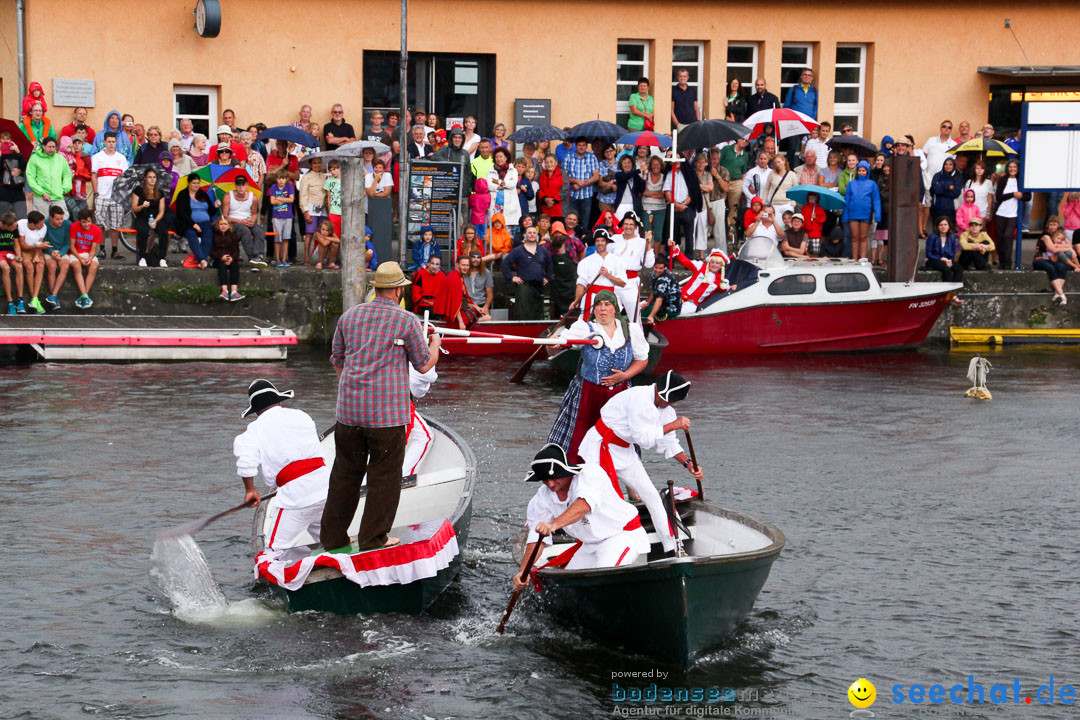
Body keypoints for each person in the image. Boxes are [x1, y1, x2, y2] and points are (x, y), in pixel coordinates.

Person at [321, 262, 441, 553]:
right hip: (387, 417)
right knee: (384, 479)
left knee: (344, 475)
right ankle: (373, 539)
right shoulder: (407, 320)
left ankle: (334, 538)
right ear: (399, 290)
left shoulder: (349, 317)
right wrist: (435, 343)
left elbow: (337, 360)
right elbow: (423, 364)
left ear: (376, 289)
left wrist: (353, 389)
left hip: (348, 413)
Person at [578, 370, 702, 555]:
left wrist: (688, 463)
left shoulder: (666, 410)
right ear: (661, 393)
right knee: (595, 497)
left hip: (624, 450)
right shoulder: (639, 399)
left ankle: (671, 547)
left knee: (651, 496)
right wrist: (674, 424)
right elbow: (643, 439)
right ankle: (591, 541)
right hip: (599, 447)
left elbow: (668, 442)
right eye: (669, 400)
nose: (670, 405)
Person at [512, 443, 651, 586]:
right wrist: (523, 571)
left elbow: (583, 505)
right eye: (545, 480)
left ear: (566, 471)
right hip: (588, 544)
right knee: (566, 587)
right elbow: (536, 540)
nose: (551, 484)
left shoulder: (590, 474)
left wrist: (553, 525)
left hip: (620, 536)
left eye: (555, 478)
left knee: (602, 581)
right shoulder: (541, 498)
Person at [235, 379, 330, 564]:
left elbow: (246, 462)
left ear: (256, 411)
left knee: (271, 554)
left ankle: (282, 580)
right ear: (279, 401)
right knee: (331, 540)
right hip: (327, 488)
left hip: (296, 496)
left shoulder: (255, 429)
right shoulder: (301, 415)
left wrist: (250, 491)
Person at [548, 289, 649, 460]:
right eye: (598, 305)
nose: (602, 308)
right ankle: (573, 473)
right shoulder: (585, 328)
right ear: (594, 309)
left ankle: (621, 474)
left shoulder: (631, 330)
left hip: (620, 393)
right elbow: (556, 346)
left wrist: (625, 375)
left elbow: (642, 359)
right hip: (588, 393)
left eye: (607, 304)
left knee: (619, 440)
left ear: (614, 309)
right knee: (578, 440)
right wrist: (552, 343)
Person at [609, 211, 654, 321]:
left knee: (634, 316)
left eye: (631, 224)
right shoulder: (614, 239)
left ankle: (636, 337)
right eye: (626, 224)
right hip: (614, 281)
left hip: (630, 282)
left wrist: (648, 244)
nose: (628, 227)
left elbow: (649, 264)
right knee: (611, 315)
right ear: (622, 225)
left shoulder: (641, 242)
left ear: (635, 227)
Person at [90, 132, 129, 260]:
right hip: (101, 195)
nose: (111, 144)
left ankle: (114, 250)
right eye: (109, 141)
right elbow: (94, 176)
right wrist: (96, 193)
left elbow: (125, 178)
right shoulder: (97, 157)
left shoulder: (122, 158)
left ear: (116, 142)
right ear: (104, 142)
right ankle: (101, 250)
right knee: (101, 224)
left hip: (116, 197)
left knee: (115, 225)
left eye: (113, 141)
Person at [571, 229, 626, 316]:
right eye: (597, 241)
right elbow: (581, 284)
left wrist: (608, 275)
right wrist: (576, 301)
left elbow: (622, 283)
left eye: (603, 240)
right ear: (595, 242)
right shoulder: (586, 262)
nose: (600, 243)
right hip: (591, 298)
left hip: (609, 298)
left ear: (607, 242)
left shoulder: (617, 261)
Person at [501, 226, 553, 320]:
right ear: (525, 235)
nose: (532, 235)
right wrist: (511, 277)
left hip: (538, 287)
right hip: (524, 286)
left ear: (537, 235)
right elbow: (505, 263)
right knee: (523, 313)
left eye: (534, 233)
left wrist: (547, 277)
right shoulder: (518, 250)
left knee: (538, 314)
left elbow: (549, 264)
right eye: (529, 233)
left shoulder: (543, 250)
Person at [669, 242, 729, 312]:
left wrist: (731, 287)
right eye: (712, 262)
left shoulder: (721, 281)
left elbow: (726, 291)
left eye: (717, 263)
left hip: (692, 305)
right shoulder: (700, 266)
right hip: (680, 296)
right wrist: (674, 249)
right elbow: (686, 262)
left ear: (721, 265)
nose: (714, 265)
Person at [174, 173, 217, 269]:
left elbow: (210, 212)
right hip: (188, 223)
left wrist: (215, 207)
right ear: (189, 183)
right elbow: (181, 213)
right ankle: (202, 259)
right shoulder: (183, 194)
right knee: (191, 234)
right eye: (194, 183)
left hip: (205, 222)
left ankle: (201, 260)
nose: (196, 185)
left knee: (208, 233)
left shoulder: (203, 194)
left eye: (198, 183)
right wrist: (193, 224)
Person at [434, 254, 490, 328]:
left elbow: (461, 301)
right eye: (463, 265)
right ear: (457, 265)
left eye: (467, 265)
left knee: (483, 314)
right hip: (451, 315)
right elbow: (455, 304)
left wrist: (474, 306)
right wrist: (461, 323)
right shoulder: (454, 278)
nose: (465, 267)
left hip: (455, 311)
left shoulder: (458, 276)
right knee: (487, 318)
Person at [25, 136, 72, 220]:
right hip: (40, 196)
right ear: (43, 146)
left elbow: (67, 175)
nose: (51, 149)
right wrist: (41, 192)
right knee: (40, 221)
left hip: (57, 195)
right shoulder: (34, 159)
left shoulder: (60, 159)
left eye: (53, 147)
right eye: (49, 147)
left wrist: (64, 189)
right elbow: (30, 177)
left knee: (63, 219)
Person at [842, 160, 881, 261]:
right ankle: (854, 258)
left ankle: (863, 258)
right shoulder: (851, 184)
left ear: (867, 171)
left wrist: (877, 215)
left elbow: (876, 200)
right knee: (854, 237)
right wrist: (845, 216)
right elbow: (847, 200)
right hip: (853, 214)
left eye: (864, 170)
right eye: (859, 170)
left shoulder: (872, 184)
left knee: (864, 237)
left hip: (866, 214)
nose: (861, 172)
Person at [994, 159, 1028, 270]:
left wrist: (1021, 196)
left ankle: (1008, 262)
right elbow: (999, 197)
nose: (1012, 169)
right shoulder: (1003, 180)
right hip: (1000, 213)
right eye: (1010, 167)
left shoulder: (1021, 180)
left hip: (1013, 214)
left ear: (1018, 169)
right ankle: (1002, 262)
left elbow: (1028, 197)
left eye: (1014, 167)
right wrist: (1012, 194)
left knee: (1008, 237)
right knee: (1000, 238)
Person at [131, 167, 168, 268]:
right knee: (143, 231)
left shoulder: (160, 193)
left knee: (164, 231)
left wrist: (155, 221)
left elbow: (161, 211)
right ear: (145, 178)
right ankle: (142, 257)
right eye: (150, 177)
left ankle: (162, 258)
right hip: (142, 217)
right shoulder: (138, 190)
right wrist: (142, 206)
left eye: (154, 177)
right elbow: (134, 208)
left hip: (155, 218)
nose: (152, 179)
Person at [67, 208, 101, 308]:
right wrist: (79, 258)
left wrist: (90, 258)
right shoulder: (74, 226)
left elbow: (93, 249)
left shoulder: (97, 230)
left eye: (89, 222)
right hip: (76, 253)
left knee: (94, 267)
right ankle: (85, 295)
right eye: (84, 222)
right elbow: (72, 246)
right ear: (80, 221)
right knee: (76, 266)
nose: (86, 224)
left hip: (88, 253)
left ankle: (84, 295)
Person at [16, 211, 49, 313]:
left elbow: (40, 242)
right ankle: (35, 299)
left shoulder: (44, 227)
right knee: (29, 267)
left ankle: (34, 299)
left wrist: (37, 255)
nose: (42, 225)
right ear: (32, 224)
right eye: (40, 223)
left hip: (36, 249)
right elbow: (22, 245)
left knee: (40, 266)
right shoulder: (21, 224)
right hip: (25, 250)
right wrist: (37, 247)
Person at [298, 156, 328, 266]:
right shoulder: (306, 177)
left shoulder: (325, 176)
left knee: (323, 234)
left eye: (319, 163)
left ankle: (321, 258)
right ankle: (306, 257)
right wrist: (305, 211)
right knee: (310, 234)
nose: (317, 165)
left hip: (323, 209)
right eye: (315, 163)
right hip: (311, 208)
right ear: (311, 165)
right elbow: (303, 195)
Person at [564, 139, 600, 231]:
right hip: (572, 195)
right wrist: (575, 181)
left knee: (585, 222)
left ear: (586, 146)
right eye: (579, 145)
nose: (581, 147)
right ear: (576, 146)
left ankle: (583, 242)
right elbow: (564, 176)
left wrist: (581, 184)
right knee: (571, 222)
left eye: (583, 145)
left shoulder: (592, 157)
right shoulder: (569, 156)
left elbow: (596, 176)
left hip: (587, 196)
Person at [42, 205, 71, 309]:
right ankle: (53, 296)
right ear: (50, 217)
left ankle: (53, 295)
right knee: (52, 266)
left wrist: (61, 254)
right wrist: (51, 252)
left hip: (62, 251)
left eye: (62, 218)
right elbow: (43, 241)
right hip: (49, 250)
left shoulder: (67, 224)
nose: (60, 221)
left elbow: (68, 243)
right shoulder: (44, 224)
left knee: (65, 265)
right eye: (57, 219)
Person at [209, 215, 244, 301]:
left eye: (225, 224)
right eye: (221, 224)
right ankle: (224, 291)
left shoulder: (233, 235)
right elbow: (211, 251)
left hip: (230, 258)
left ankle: (234, 291)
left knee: (235, 265)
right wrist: (221, 257)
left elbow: (236, 251)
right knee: (221, 266)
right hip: (217, 259)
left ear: (229, 225)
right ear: (217, 225)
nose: (223, 226)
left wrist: (232, 258)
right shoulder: (213, 235)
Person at [268, 169, 295, 268]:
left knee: (286, 238)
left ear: (287, 179)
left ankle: (284, 259)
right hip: (276, 217)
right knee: (277, 239)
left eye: (283, 178)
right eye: (279, 178)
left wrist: (278, 198)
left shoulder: (289, 186)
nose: (281, 181)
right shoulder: (274, 187)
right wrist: (285, 200)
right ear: (276, 179)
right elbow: (272, 201)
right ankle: (278, 259)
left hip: (288, 216)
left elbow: (291, 199)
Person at [0, 212, 25, 313]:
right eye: (13, 227)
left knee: (19, 267)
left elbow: (16, 243)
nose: (15, 228)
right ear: (5, 225)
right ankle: (10, 302)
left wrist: (18, 256)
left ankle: (20, 300)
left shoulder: (15, 226)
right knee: (5, 268)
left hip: (10, 252)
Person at [925, 216, 963, 282]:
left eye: (945, 224)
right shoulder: (932, 236)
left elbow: (952, 252)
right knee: (946, 270)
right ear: (937, 226)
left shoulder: (952, 237)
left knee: (959, 269)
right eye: (941, 225)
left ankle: (954, 290)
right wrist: (941, 259)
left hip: (947, 260)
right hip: (934, 260)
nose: (943, 227)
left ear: (949, 226)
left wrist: (949, 261)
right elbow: (928, 254)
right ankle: (946, 290)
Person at [930, 157, 962, 230]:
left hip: (950, 209)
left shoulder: (957, 177)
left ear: (954, 166)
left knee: (949, 230)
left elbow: (955, 193)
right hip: (937, 208)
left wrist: (941, 185)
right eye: (946, 164)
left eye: (950, 164)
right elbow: (935, 189)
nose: (948, 166)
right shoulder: (937, 175)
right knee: (937, 230)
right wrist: (948, 187)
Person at [764, 153, 797, 218]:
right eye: (775, 163)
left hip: (787, 204)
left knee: (787, 224)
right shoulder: (772, 174)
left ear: (784, 161)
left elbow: (795, 188)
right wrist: (764, 201)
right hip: (775, 204)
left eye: (779, 162)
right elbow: (766, 188)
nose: (777, 164)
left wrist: (793, 202)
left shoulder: (791, 174)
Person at [463, 249, 494, 316]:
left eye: (478, 257)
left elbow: (490, 294)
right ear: (469, 258)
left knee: (487, 319)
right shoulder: (464, 271)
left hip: (481, 304)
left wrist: (486, 307)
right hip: (467, 304)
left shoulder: (486, 273)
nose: (476, 259)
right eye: (473, 257)